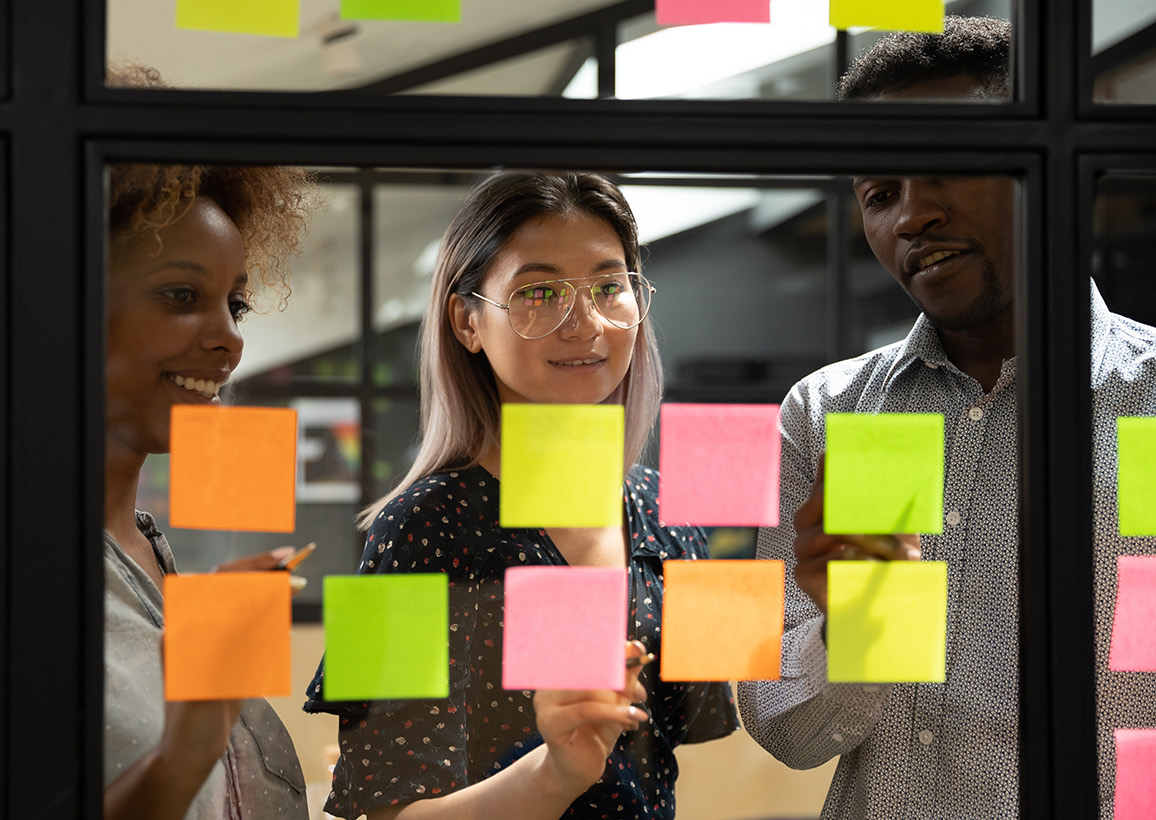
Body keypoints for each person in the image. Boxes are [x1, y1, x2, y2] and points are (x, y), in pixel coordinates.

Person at [737, 16, 1156, 820]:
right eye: (879, 194)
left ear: (1044, 168)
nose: (911, 215)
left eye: (945, 169)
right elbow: (778, 723)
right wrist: (864, 617)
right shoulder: (826, 416)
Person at [0, 148, 319, 819]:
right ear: (53, 309)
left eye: (235, 304)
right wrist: (178, 761)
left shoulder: (148, 554)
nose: (229, 339)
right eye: (181, 296)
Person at [303, 170, 738, 819]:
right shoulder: (416, 525)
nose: (583, 321)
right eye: (538, 291)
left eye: (608, 286)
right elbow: (383, 811)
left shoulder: (663, 512)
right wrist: (554, 772)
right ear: (467, 321)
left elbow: (691, 729)